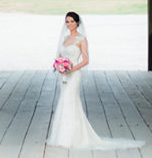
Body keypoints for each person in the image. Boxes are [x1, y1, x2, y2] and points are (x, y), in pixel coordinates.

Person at [46, 11, 145, 150]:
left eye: (72, 21)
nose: (69, 24)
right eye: (67, 22)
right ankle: (63, 136)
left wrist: (71, 68)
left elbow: (86, 60)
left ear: (77, 23)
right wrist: (59, 65)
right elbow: (60, 56)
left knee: (70, 100)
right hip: (65, 75)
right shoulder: (65, 38)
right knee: (64, 100)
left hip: (74, 75)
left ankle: (73, 138)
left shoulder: (81, 39)